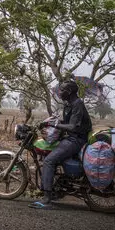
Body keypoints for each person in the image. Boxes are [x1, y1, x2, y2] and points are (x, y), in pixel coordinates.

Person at [29, 80, 92, 209]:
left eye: (62, 90)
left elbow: (73, 126)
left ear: (69, 92)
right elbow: (67, 121)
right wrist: (48, 122)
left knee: (49, 161)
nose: (59, 92)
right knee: (51, 156)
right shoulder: (70, 104)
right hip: (71, 138)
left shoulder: (77, 104)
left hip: (76, 140)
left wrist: (54, 125)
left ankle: (47, 199)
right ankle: (54, 188)